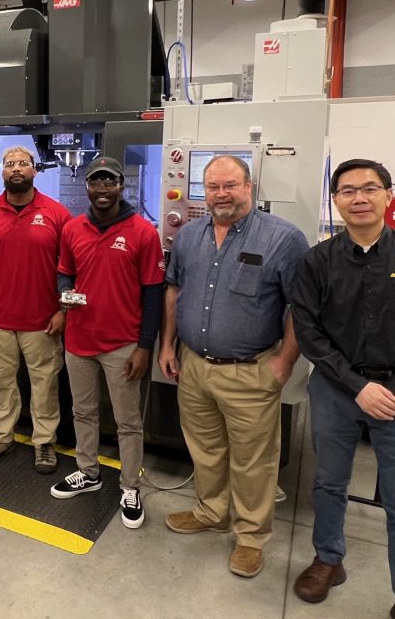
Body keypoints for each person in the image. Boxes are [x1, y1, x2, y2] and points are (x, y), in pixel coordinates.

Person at [291, 159, 395, 619]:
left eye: (369, 188)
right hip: (336, 391)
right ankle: (328, 558)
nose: (358, 198)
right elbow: (309, 332)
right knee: (328, 482)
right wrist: (356, 386)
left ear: (389, 194)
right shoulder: (317, 261)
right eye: (347, 191)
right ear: (336, 200)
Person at [158, 154, 308, 578]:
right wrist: (168, 346)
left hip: (251, 371)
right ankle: (211, 511)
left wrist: (284, 362)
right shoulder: (188, 236)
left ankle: (250, 537)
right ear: (203, 192)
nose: (221, 195)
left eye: (230, 185)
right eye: (213, 187)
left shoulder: (283, 238)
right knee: (205, 449)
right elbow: (174, 292)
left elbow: (301, 306)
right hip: (193, 367)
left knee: (254, 461)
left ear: (249, 187)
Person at [50, 156, 165, 529]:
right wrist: (65, 292)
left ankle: (130, 485)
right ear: (87, 187)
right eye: (95, 182)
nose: (102, 189)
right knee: (83, 412)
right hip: (79, 339)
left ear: (121, 186)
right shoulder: (73, 228)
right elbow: (64, 271)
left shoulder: (143, 232)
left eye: (109, 182)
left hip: (123, 345)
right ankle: (88, 470)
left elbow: (153, 294)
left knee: (127, 421)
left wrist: (144, 346)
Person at [0, 146, 71, 473]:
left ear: (35, 171)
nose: (17, 168)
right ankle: (2, 435)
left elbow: (70, 268)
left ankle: (44, 442)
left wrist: (63, 310)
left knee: (45, 385)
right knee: (2, 384)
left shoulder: (57, 214)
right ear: (3, 173)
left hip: (43, 321)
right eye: (10, 164)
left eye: (23, 163)